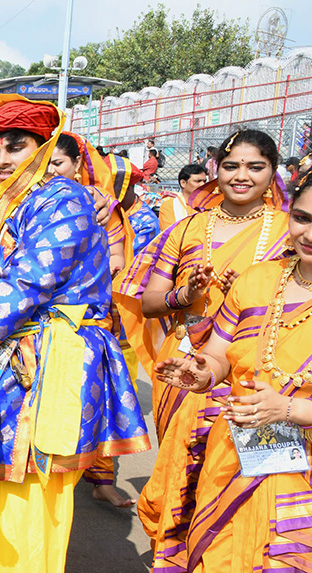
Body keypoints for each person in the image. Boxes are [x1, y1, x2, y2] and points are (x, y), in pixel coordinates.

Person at [0, 95, 150, 572]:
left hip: (46, 361)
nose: (3, 158)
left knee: (24, 495)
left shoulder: (62, 199)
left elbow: (28, 283)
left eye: (16, 145)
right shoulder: (7, 203)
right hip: (6, 352)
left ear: (43, 146)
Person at [117, 129, 291, 570]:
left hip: (255, 377)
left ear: (273, 173)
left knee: (234, 484)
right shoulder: (190, 226)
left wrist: (252, 292)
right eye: (232, 166)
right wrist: (186, 295)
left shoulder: (293, 231)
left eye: (256, 167)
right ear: (216, 169)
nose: (241, 176)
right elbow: (149, 300)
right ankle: (174, 557)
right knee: (179, 473)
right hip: (190, 368)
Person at [150, 172, 312, 570]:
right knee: (220, 554)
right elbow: (221, 355)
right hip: (238, 449)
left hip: (302, 469)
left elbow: (285, 408)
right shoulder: (260, 281)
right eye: (304, 218)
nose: (309, 234)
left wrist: (287, 411)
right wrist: (205, 372)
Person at [47, 132, 129, 274]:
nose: (50, 170)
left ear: (77, 162)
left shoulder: (99, 200)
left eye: (57, 163)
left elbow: (116, 255)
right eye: (45, 164)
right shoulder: (36, 198)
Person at [158, 163, 209, 230]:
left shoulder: (210, 205)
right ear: (183, 183)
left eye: (204, 181)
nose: (203, 184)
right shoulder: (169, 206)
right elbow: (170, 235)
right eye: (198, 181)